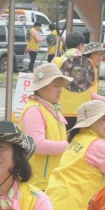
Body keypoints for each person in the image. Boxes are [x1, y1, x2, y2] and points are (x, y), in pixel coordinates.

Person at [20, 62, 71, 190]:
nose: (59, 90)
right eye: (55, 86)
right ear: (41, 87)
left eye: (61, 86)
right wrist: (69, 146)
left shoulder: (50, 108)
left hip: (51, 182)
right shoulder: (34, 110)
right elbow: (38, 145)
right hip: (37, 184)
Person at [58, 42, 105, 127]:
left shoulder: (75, 65)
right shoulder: (89, 68)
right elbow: (91, 95)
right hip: (80, 114)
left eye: (101, 54)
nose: (100, 57)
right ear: (89, 55)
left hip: (64, 111)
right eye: (97, 54)